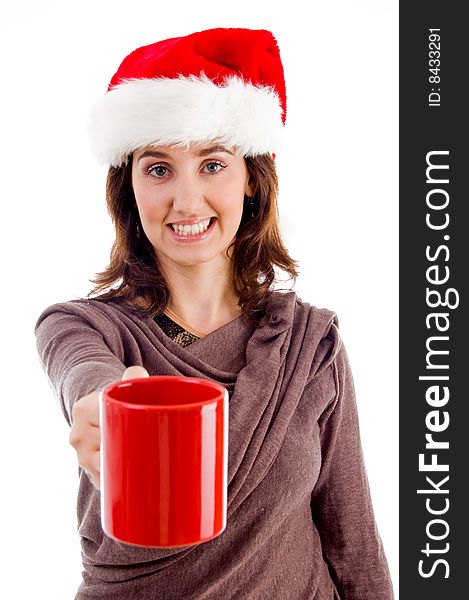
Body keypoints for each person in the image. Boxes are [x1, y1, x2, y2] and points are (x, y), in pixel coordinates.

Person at [35, 27, 394, 600]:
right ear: (128, 187)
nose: (185, 201)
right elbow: (82, 372)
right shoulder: (82, 327)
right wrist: (108, 408)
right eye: (158, 169)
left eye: (212, 164)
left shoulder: (311, 342)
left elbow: (353, 541)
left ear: (251, 177)